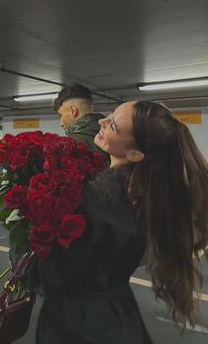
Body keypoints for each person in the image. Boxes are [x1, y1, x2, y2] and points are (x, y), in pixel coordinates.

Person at [29, 101, 208, 344]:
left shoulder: (93, 197)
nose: (102, 121)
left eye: (112, 125)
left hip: (78, 324)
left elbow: (55, 278)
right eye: (111, 115)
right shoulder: (151, 196)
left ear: (135, 154)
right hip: (119, 312)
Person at [53, 84, 109, 157]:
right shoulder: (113, 134)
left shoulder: (73, 143)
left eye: (61, 115)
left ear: (73, 111)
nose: (61, 124)